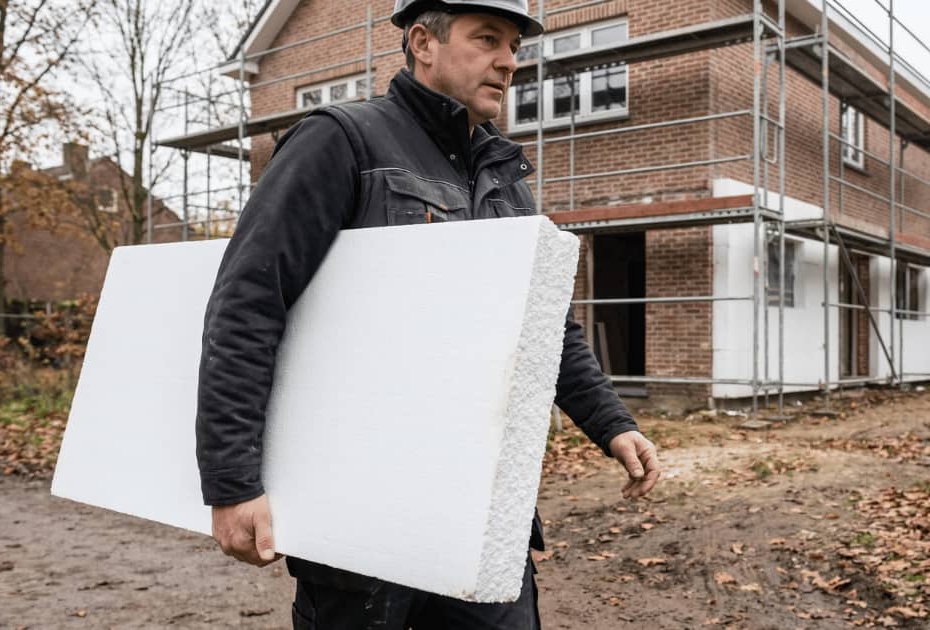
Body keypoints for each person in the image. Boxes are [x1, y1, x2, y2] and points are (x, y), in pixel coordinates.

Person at [195, 0, 660, 627]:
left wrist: (611, 422)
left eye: (515, 46)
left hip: (484, 512)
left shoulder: (504, 177)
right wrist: (233, 482)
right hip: (362, 522)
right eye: (488, 38)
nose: (509, 61)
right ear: (422, 42)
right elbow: (248, 302)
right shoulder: (340, 142)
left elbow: (544, 325)